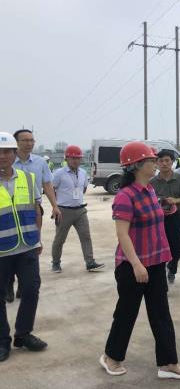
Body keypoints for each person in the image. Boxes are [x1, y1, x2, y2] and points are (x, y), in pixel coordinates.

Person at [101, 141, 180, 379]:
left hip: (155, 262)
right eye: (151, 160)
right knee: (127, 313)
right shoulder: (125, 196)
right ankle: (111, 356)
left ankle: (168, 363)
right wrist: (136, 264)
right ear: (136, 165)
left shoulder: (150, 190)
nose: (156, 163)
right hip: (133, 266)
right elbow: (122, 234)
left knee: (161, 313)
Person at [0, 132, 47, 362]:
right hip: (1, 251)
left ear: (14, 153)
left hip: (27, 246)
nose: (3, 156)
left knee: (30, 290)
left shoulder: (28, 178)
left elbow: (36, 209)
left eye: (7, 151)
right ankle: (2, 340)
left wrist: (38, 238)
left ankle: (23, 334)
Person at [5, 130, 61, 303]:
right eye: (25, 140)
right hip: (7, 211)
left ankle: (24, 285)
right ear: (16, 143)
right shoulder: (6, 161)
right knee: (8, 249)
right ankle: (8, 285)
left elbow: (47, 184)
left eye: (32, 140)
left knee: (31, 245)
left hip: (32, 210)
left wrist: (55, 205)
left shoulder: (40, 162)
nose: (29, 143)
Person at [51, 145, 105, 273]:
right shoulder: (59, 173)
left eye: (78, 158)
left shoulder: (83, 173)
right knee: (60, 239)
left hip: (80, 210)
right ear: (67, 158)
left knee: (86, 236)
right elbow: (51, 189)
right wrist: (55, 206)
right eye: (73, 158)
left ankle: (90, 262)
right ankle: (56, 263)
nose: (76, 161)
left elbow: (84, 188)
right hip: (64, 211)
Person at [150, 149, 180, 284]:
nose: (164, 163)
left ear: (172, 162)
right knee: (158, 248)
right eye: (161, 161)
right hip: (157, 220)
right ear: (156, 163)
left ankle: (172, 268)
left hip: (176, 218)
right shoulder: (151, 182)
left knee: (176, 250)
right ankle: (160, 276)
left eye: (167, 160)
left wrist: (176, 200)